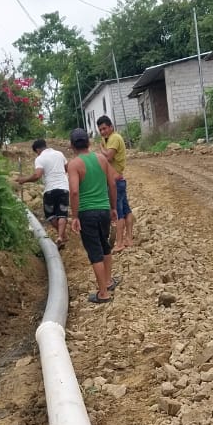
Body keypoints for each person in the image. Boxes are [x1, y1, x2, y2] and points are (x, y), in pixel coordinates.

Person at [67, 127, 119, 304]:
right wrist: (113, 207)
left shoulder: (74, 164)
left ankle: (103, 293)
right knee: (104, 246)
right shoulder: (101, 159)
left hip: (87, 212)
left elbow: (74, 192)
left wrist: (75, 216)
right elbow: (112, 184)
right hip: (104, 210)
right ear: (89, 142)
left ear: (72, 145)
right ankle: (108, 281)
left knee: (95, 251)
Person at [16, 138, 70, 247]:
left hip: (50, 190)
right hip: (63, 188)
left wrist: (24, 180)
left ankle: (62, 236)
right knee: (62, 213)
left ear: (37, 150)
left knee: (51, 215)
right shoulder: (59, 154)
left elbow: (37, 175)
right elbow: (66, 168)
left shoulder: (40, 158)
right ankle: (61, 236)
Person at [96, 115, 133, 251]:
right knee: (126, 210)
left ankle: (120, 243)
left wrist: (101, 148)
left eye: (104, 128)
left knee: (118, 212)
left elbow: (108, 156)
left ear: (111, 127)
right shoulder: (108, 139)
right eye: (100, 130)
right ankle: (129, 239)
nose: (103, 132)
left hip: (116, 181)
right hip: (118, 179)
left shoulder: (114, 138)